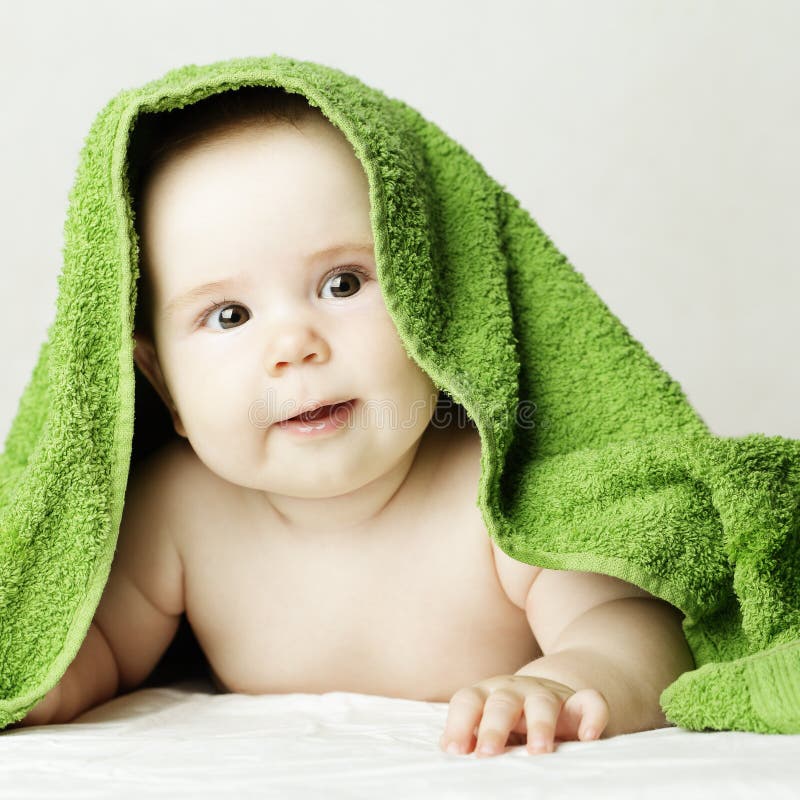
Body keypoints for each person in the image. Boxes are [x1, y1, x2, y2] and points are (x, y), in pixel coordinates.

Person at [13, 86, 694, 756]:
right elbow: (90, 645)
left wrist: (565, 681)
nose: (295, 345)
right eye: (229, 316)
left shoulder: (500, 491)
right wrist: (38, 685)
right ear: (162, 387)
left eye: (342, 283)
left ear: (435, 300)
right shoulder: (179, 512)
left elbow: (634, 626)